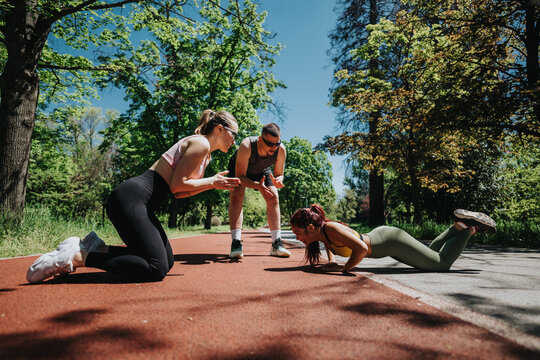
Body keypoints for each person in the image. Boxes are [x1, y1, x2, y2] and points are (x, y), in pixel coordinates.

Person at [27, 110, 241, 283]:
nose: (235, 141)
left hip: (139, 202)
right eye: (234, 134)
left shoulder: (206, 156)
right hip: (131, 198)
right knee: (155, 268)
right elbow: (177, 185)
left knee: (166, 261)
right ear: (220, 129)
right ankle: (75, 257)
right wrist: (212, 182)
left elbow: (180, 191)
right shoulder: (200, 143)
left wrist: (212, 184)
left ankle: (96, 248)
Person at [290, 205, 497, 273]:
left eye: (298, 233)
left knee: (441, 264)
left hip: (389, 241)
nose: (298, 238)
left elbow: (360, 249)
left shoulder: (330, 228)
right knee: (433, 254)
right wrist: (333, 263)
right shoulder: (324, 233)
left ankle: (469, 228)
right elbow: (331, 246)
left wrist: (345, 270)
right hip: (386, 239)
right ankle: (458, 225)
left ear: (310, 227)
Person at [227, 123, 290, 259]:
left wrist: (279, 180)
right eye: (269, 144)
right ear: (261, 139)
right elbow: (240, 177)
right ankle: (236, 242)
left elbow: (279, 173)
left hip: (262, 170)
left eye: (277, 144)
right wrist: (258, 185)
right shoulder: (247, 145)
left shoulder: (281, 150)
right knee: (237, 196)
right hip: (240, 170)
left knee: (274, 197)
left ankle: (276, 243)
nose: (273, 148)